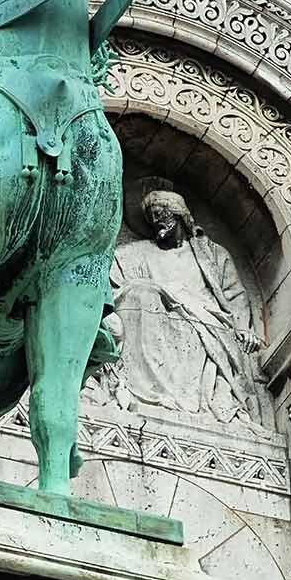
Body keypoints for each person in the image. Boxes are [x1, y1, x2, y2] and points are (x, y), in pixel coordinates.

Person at [108, 179, 263, 422]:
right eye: (151, 216)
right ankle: (152, 394)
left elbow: (234, 294)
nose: (156, 220)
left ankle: (195, 399)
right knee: (141, 294)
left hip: (206, 321)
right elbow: (113, 279)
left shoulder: (211, 254)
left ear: (179, 215)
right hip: (156, 319)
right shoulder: (136, 253)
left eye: (161, 213)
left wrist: (243, 328)